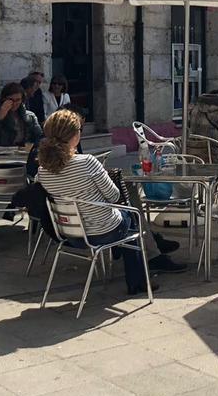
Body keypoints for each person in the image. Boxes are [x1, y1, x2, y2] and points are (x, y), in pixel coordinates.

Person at [36, 110, 182, 295]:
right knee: (131, 218)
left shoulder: (43, 170)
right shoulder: (87, 162)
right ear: (74, 135)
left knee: (126, 221)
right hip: (102, 231)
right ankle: (139, 280)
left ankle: (136, 256)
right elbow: (114, 196)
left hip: (70, 234)